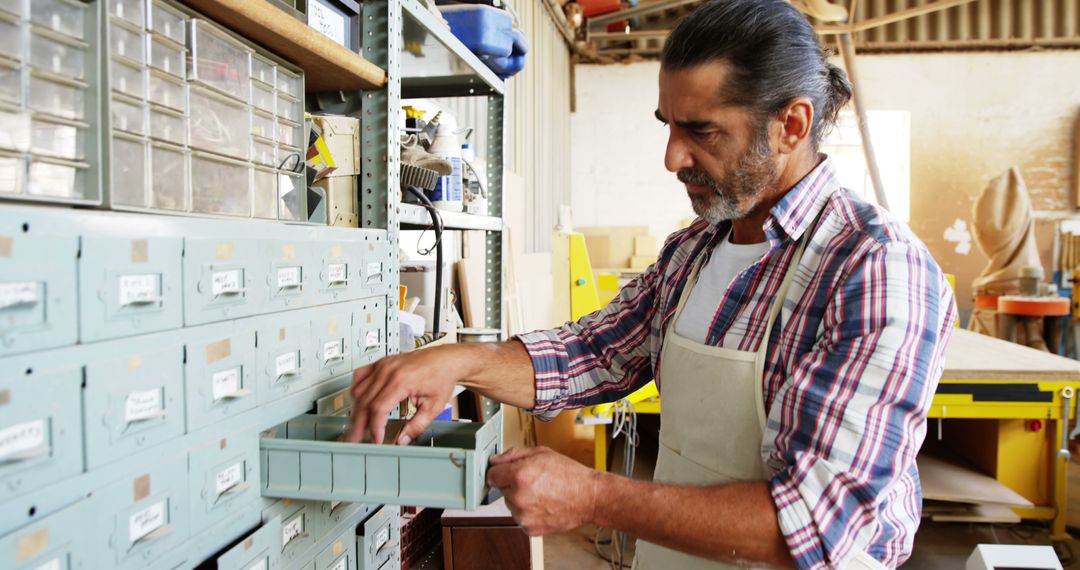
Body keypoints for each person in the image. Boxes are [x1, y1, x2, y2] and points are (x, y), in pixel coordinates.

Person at [348, 0, 957, 567]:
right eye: (668, 125)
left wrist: (592, 496)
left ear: (792, 124)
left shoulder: (873, 270)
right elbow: (593, 353)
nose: (672, 158)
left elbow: (817, 525)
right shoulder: (695, 248)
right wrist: (457, 363)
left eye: (702, 131)